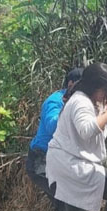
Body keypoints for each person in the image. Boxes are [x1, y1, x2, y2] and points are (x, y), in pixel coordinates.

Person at [45, 63, 107, 211]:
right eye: (105, 90)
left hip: (72, 164)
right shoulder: (81, 102)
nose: (106, 94)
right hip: (71, 166)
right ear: (96, 87)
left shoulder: (86, 100)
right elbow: (87, 130)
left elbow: (96, 122)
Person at [26, 68, 85, 196]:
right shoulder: (55, 101)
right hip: (41, 158)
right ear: (71, 84)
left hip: (60, 158)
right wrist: (68, 108)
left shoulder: (81, 102)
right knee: (66, 199)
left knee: (66, 201)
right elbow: (52, 127)